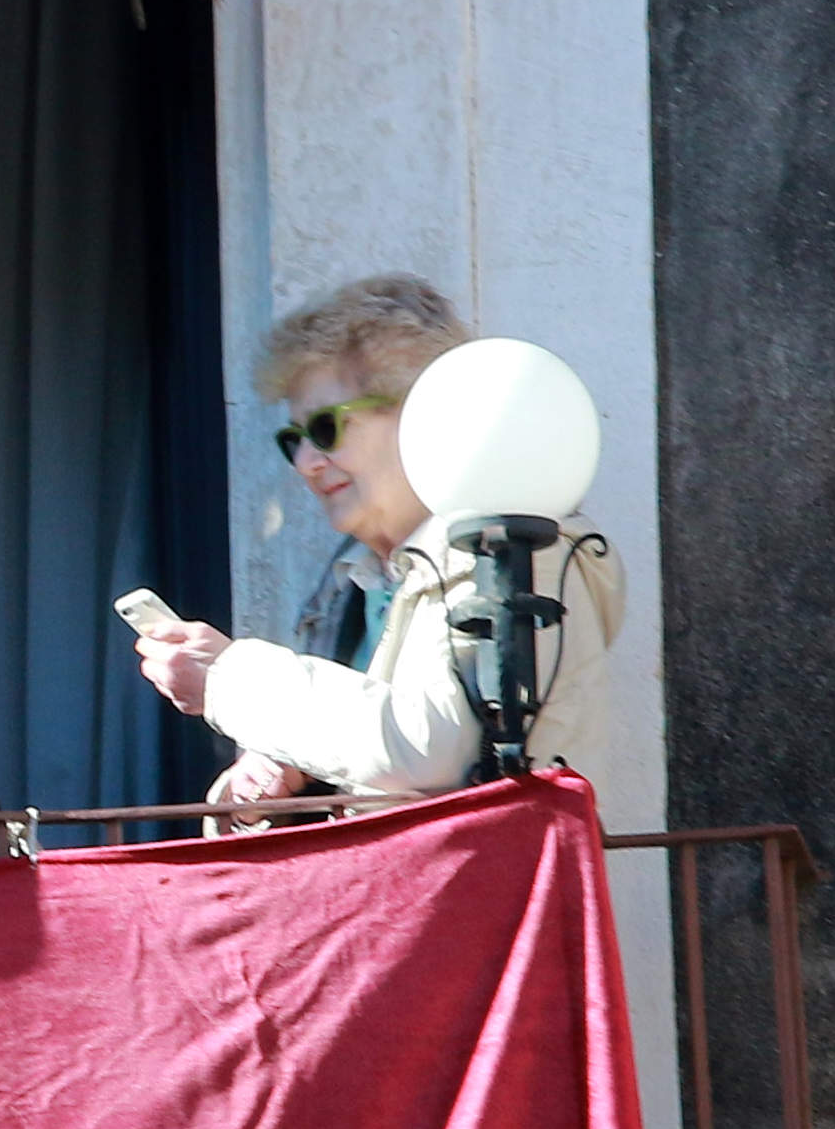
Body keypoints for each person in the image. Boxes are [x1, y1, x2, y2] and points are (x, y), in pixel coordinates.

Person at [126, 275, 624, 817]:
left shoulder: (518, 555)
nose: (305, 463)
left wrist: (228, 680)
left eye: (326, 427)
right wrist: (260, 790)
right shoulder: (348, 587)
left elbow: (429, 751)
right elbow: (365, 780)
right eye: (293, 440)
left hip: (500, 896)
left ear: (421, 413)